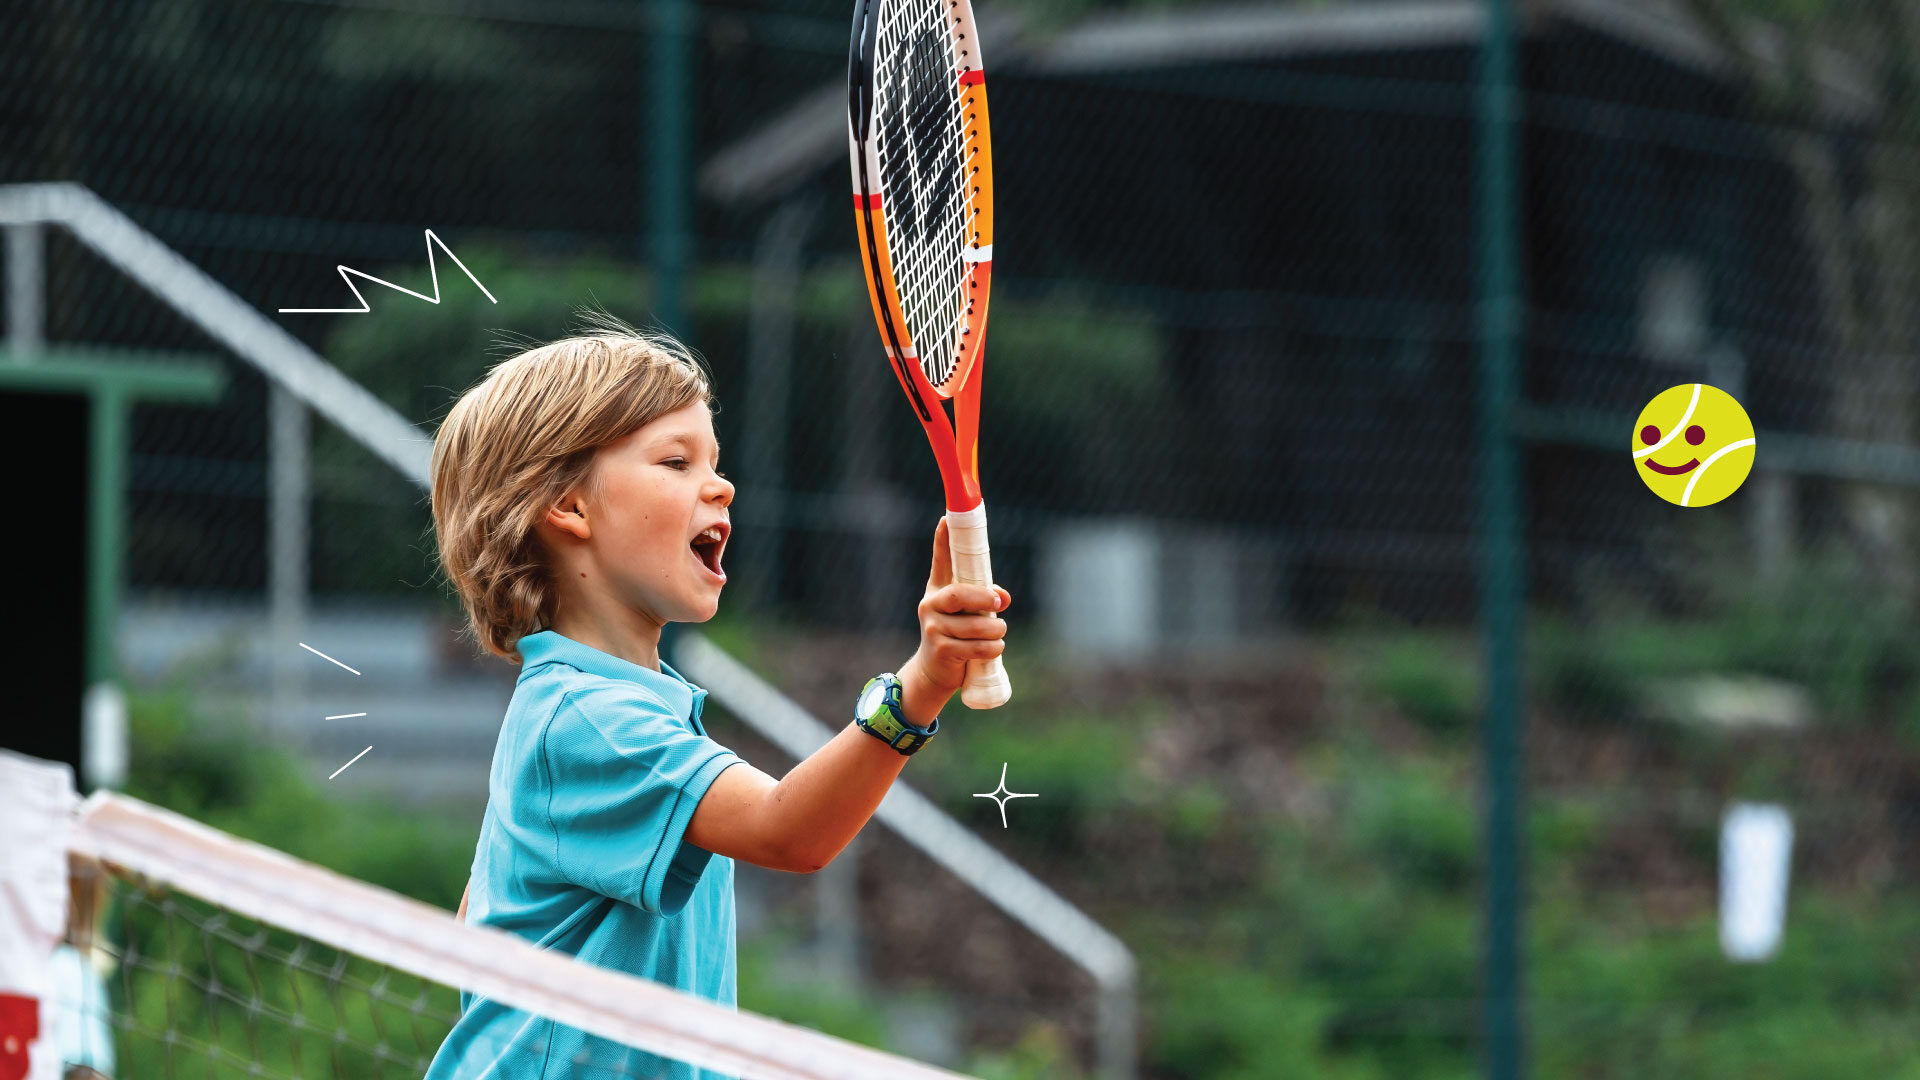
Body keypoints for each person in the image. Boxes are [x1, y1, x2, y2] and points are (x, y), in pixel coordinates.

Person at [423, 313, 1008, 1080]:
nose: (721, 483)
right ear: (569, 507)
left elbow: (483, 914)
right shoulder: (591, 720)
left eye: (715, 460)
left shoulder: (598, 710)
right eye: (675, 461)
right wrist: (921, 686)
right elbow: (789, 832)